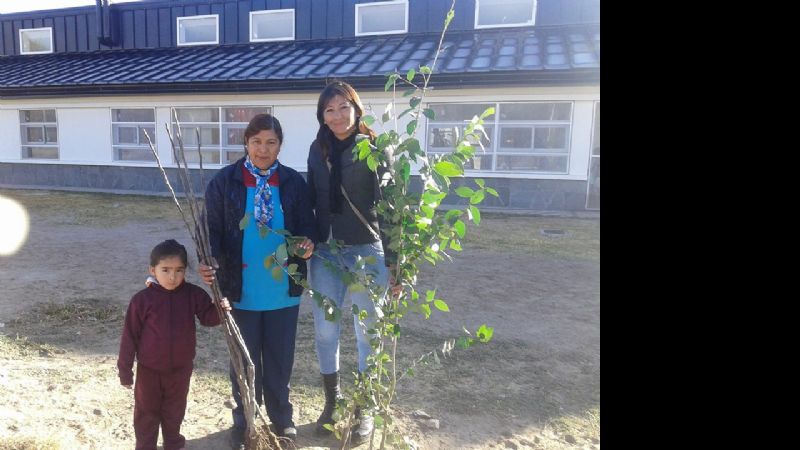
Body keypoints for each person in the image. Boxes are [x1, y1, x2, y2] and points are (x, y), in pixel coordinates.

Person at [199, 113, 316, 448]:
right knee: (243, 359)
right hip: (240, 288)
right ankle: (246, 418)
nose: (263, 150)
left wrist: (307, 245)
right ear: (246, 143)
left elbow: (307, 227)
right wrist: (207, 261)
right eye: (257, 142)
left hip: (283, 287)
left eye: (271, 142)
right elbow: (210, 231)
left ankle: (282, 418)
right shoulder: (224, 182)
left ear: (280, 145)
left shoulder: (293, 182)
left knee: (280, 358)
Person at [306, 80, 397, 442]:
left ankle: (365, 409)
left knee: (367, 334)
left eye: (344, 107)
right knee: (326, 331)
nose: (338, 115)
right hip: (327, 254)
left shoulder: (374, 147)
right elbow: (312, 198)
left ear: (357, 109)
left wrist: (395, 262)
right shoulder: (317, 150)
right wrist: (306, 240)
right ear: (322, 115)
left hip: (365, 252)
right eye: (330, 109)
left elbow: (390, 205)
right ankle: (333, 402)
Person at [118, 239, 231, 450]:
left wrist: (221, 310)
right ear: (153, 269)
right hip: (149, 371)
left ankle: (173, 444)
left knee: (174, 412)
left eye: (179, 270)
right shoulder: (142, 300)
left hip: (180, 370)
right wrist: (125, 371)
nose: (172, 277)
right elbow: (129, 337)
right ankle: (145, 446)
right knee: (146, 414)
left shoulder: (193, 294)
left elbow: (208, 318)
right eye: (165, 270)